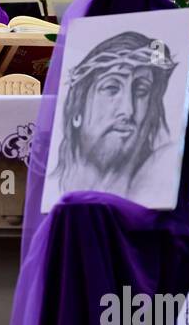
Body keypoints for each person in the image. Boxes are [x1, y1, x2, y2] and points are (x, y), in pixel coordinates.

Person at [53, 31, 177, 201]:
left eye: (141, 91)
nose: (128, 110)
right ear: (77, 110)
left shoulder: (162, 172)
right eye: (111, 88)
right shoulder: (52, 186)